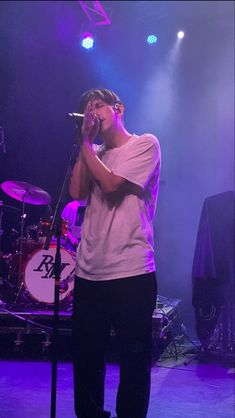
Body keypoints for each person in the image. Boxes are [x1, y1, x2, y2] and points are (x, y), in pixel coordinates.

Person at [69, 88, 161, 418]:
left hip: (131, 270)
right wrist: (85, 146)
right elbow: (78, 194)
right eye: (86, 108)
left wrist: (86, 147)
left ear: (118, 108)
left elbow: (111, 187)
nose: (92, 112)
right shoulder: (92, 151)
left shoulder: (144, 144)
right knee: (86, 357)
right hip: (90, 270)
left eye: (98, 105)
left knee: (133, 359)